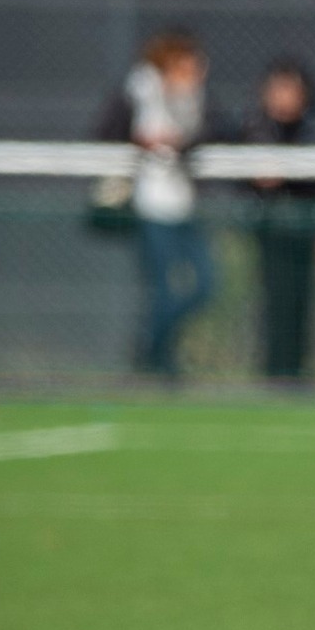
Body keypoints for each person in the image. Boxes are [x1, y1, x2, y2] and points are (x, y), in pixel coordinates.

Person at [241, 59, 315, 381]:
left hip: (306, 228)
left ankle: (298, 372)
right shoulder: (255, 126)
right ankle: (274, 371)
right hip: (270, 227)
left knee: (302, 301)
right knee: (274, 300)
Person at [119, 30, 213, 378]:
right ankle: (160, 360)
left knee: (205, 284)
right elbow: (132, 131)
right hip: (153, 207)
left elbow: (201, 133)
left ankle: (150, 343)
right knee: (164, 288)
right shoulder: (144, 88)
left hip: (185, 206)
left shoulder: (194, 98)